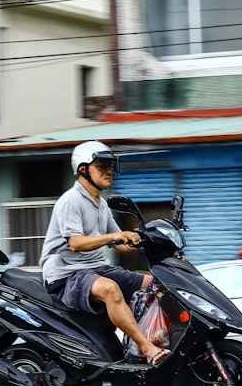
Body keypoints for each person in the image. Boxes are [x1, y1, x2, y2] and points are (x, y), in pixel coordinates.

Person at [39, 141, 171, 366]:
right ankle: (146, 348)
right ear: (83, 170)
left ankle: (154, 336)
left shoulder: (100, 204)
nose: (109, 172)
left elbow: (120, 244)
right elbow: (76, 243)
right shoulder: (71, 201)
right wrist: (112, 238)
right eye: (101, 166)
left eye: (110, 166)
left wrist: (146, 240)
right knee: (110, 289)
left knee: (157, 284)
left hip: (96, 270)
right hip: (67, 275)